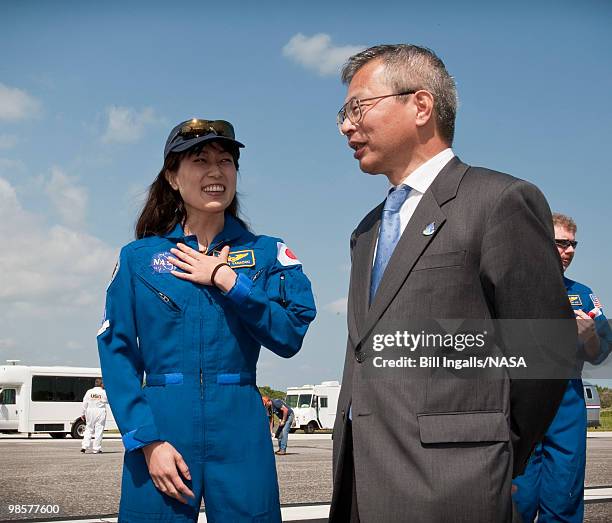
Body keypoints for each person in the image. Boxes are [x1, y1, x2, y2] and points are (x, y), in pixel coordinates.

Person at [329, 44, 577, 523]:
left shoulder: (498, 201)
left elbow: (546, 351)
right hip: (361, 483)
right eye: (343, 113)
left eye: (358, 107)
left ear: (420, 106)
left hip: (455, 486)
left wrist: (492, 454)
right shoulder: (366, 231)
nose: (346, 125)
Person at [97, 118, 316, 523]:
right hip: (163, 425)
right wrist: (147, 441)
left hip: (241, 430)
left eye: (226, 160)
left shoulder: (269, 254)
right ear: (173, 177)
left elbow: (289, 336)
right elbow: (117, 352)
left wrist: (229, 281)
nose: (216, 171)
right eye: (200, 160)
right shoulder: (138, 258)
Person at [513, 213, 612, 522]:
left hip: (565, 409)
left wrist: (590, 336)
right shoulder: (511, 289)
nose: (569, 251)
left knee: (563, 496)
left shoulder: (583, 295)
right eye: (561, 243)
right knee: (518, 499)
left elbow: (599, 354)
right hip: (519, 407)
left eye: (573, 244)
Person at [80, 377, 108, 454]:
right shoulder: (103, 392)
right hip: (100, 410)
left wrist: (83, 413)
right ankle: (96, 449)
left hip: (90, 410)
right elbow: (108, 401)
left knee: (89, 428)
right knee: (99, 429)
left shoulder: (89, 392)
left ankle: (84, 446)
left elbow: (84, 403)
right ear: (101, 384)